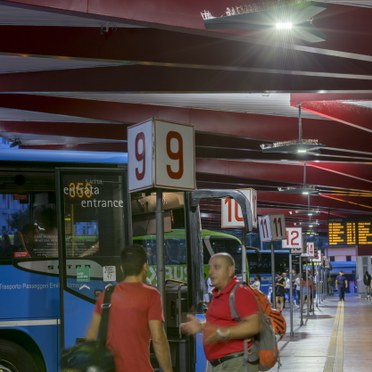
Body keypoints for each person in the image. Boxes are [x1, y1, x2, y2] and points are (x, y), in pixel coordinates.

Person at [85, 244, 173, 372]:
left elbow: (91, 337)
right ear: (145, 266)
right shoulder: (151, 295)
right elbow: (158, 339)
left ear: (121, 268)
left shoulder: (106, 295)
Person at [180, 253, 260, 371]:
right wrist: (200, 326)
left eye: (216, 267)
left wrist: (223, 333)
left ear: (230, 270)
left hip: (235, 364)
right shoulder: (218, 295)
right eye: (210, 268)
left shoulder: (240, 292)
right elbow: (223, 322)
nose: (211, 272)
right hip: (220, 365)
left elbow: (255, 325)